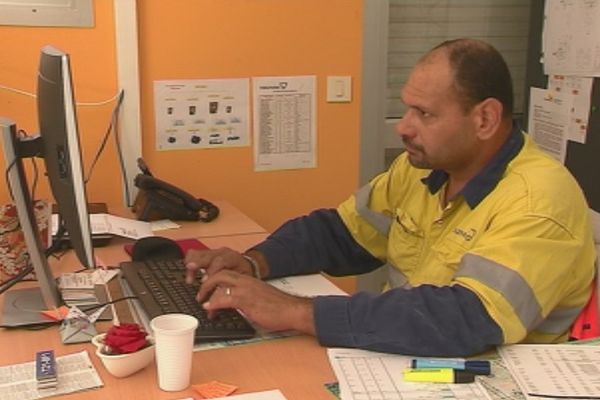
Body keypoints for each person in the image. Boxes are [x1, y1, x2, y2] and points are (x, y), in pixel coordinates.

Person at [185, 38, 597, 357]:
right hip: (409, 357)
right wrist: (254, 262)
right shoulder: (424, 170)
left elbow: (468, 318)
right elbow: (342, 233)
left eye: (425, 114)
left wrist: (295, 312)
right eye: (406, 110)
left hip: (486, 376)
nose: (404, 128)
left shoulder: (538, 200)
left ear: (485, 119)